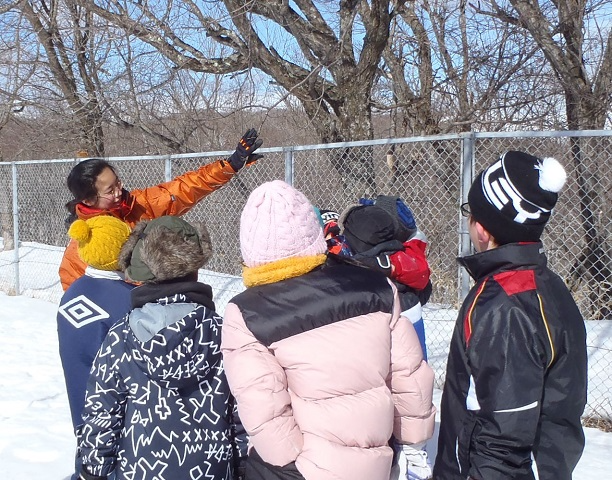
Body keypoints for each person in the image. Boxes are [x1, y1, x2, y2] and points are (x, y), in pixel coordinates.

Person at [221, 180, 435, 480]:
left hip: (304, 469)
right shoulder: (376, 285)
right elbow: (408, 375)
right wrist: (411, 441)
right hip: (378, 461)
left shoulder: (246, 313)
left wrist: (290, 462)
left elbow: (262, 407)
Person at [434, 151, 588, 480]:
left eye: (470, 214)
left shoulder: (502, 307)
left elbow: (501, 439)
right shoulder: (551, 287)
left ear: (483, 230)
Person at [78, 216, 247, 480]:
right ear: (195, 268)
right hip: (212, 470)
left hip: (139, 469)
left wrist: (94, 469)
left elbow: (102, 406)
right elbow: (242, 409)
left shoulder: (122, 335)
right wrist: (245, 466)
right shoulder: (223, 332)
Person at [59, 128, 264, 290]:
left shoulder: (139, 204)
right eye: (110, 190)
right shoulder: (83, 243)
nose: (119, 192)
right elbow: (74, 289)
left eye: (118, 183)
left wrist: (230, 165)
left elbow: (184, 189)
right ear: (87, 200)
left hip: (159, 303)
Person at [339, 201, 433, 480]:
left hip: (388, 332)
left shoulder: (365, 275)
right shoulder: (405, 257)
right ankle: (413, 451)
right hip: (407, 321)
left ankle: (405, 453)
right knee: (412, 385)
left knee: (392, 388)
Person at [57, 215, 134, 480]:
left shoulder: (73, 291)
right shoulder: (126, 299)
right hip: (115, 416)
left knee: (86, 453)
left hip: (79, 400)